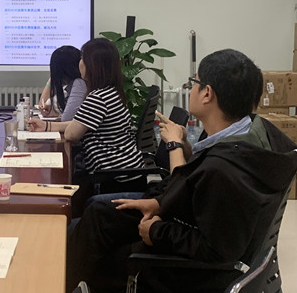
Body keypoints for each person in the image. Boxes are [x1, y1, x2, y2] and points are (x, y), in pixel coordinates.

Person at [66, 49, 297, 293]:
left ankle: (62, 282)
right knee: (98, 215)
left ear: (207, 93)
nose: (191, 89)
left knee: (96, 248)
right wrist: (158, 203)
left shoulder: (224, 169)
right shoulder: (253, 134)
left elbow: (215, 248)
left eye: (194, 83)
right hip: (185, 222)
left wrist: (156, 231)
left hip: (185, 271)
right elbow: (200, 190)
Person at [28, 38, 144, 189]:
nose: (79, 63)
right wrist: (46, 126)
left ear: (93, 65)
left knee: (56, 186)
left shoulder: (98, 98)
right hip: (127, 173)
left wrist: (49, 126)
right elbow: (80, 123)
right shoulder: (111, 92)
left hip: (115, 179)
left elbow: (71, 134)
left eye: (83, 58)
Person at [38, 46, 87, 122]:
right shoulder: (70, 86)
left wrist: (54, 77)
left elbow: (67, 119)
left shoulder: (79, 84)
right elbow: (44, 104)